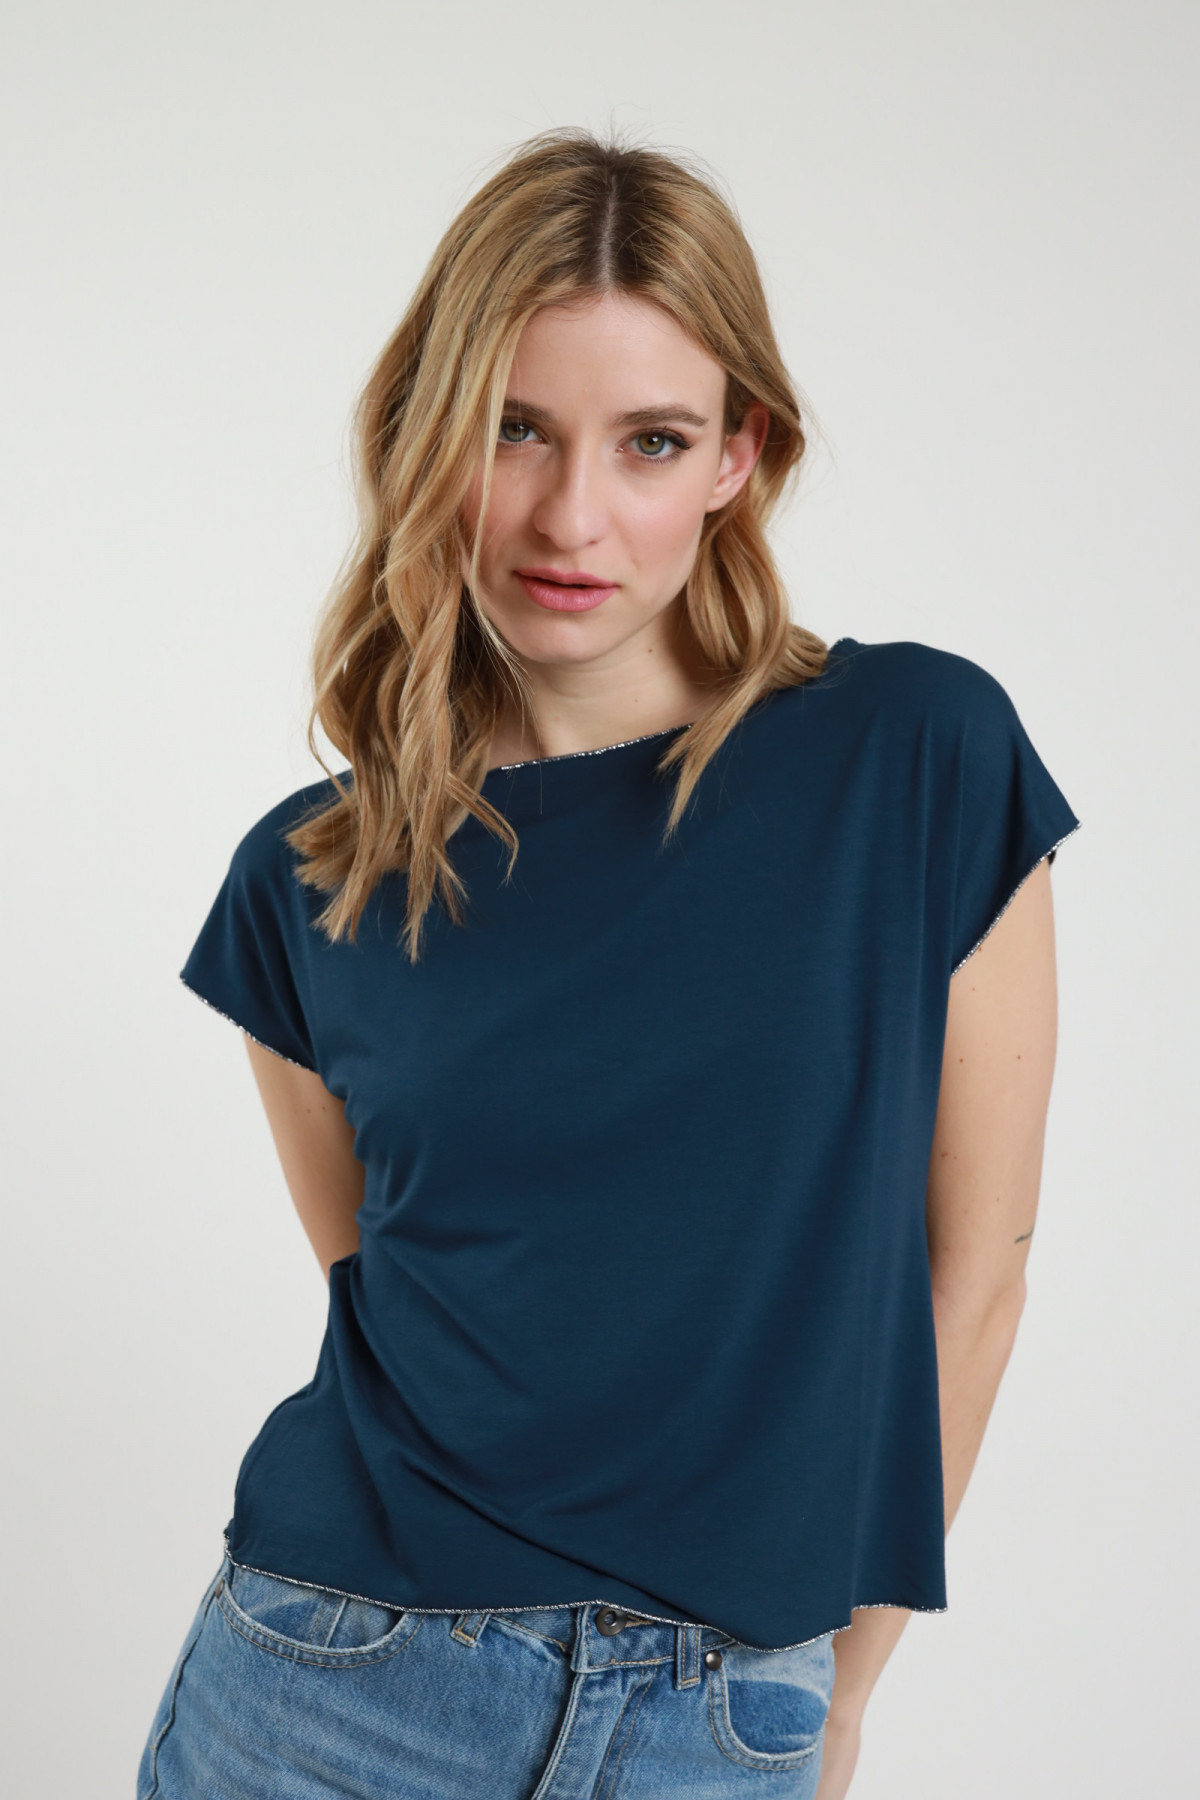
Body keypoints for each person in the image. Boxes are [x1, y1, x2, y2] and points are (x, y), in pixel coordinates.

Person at [137, 129, 1080, 1800]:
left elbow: (977, 1280)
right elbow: (387, 1290)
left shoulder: (916, 756)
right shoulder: (309, 877)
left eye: (652, 440)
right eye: (513, 428)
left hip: (724, 1718)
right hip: (326, 1691)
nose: (572, 515)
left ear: (739, 454)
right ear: (430, 434)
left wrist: (835, 1692)